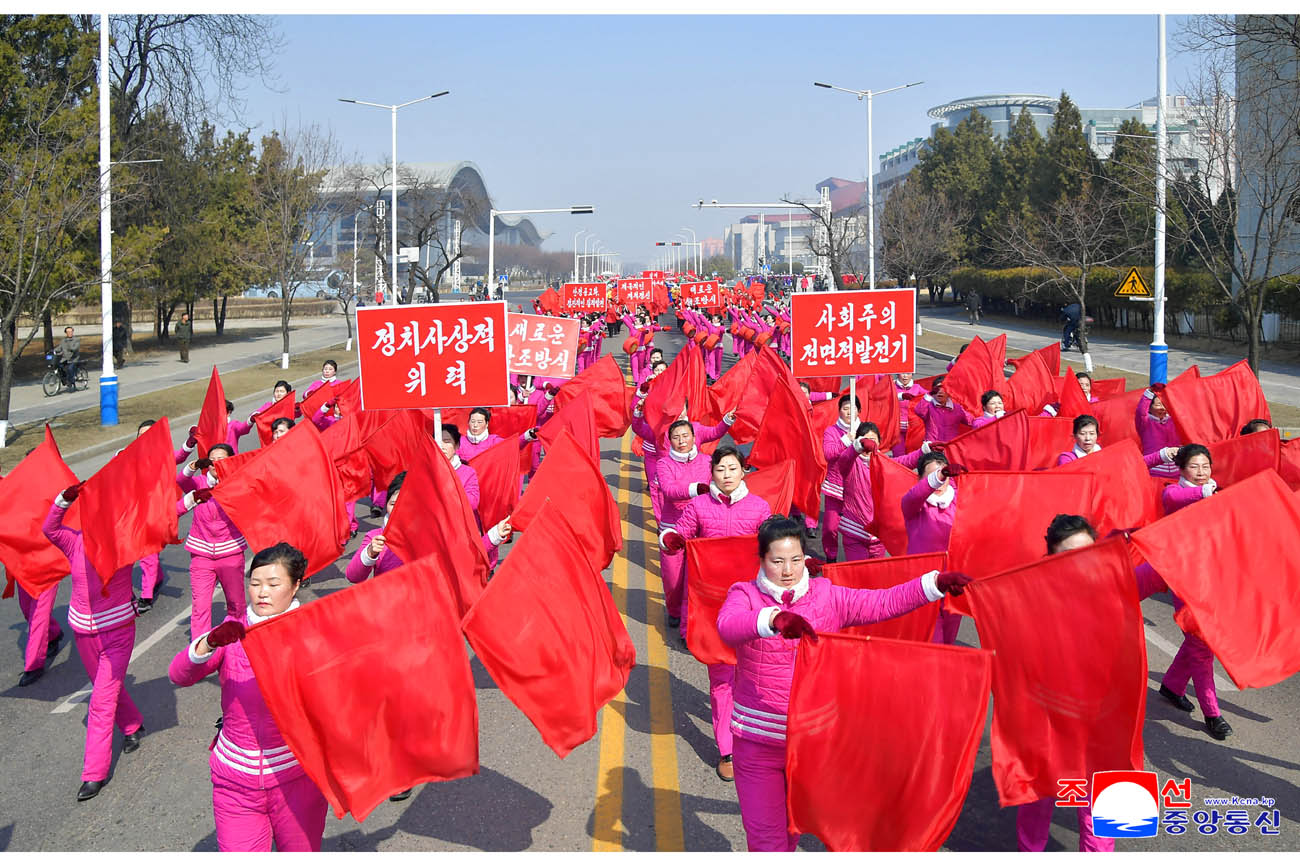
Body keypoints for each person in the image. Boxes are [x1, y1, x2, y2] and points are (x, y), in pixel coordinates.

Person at [716, 515, 970, 851]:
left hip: (813, 744)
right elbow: (727, 626)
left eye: (795, 559)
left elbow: (883, 602)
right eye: (777, 561)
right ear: (762, 560)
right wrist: (773, 619)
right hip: (757, 744)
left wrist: (934, 584)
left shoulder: (826, 596)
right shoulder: (745, 595)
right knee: (767, 842)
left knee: (792, 832)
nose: (788, 570)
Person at [1014, 514, 1169, 852]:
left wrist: (1158, 538)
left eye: (1086, 552)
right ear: (1051, 558)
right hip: (1049, 716)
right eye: (1068, 555)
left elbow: (1162, 571)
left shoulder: (1115, 583)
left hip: (1104, 717)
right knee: (1039, 794)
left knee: (1101, 802)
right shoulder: (1033, 592)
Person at [168, 543, 329, 851]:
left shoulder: (314, 633)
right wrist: (207, 644)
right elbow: (179, 675)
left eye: (273, 584)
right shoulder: (232, 633)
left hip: (298, 779)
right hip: (235, 782)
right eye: (255, 583)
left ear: (296, 585)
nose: (262, 593)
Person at [662, 446, 772, 782]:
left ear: (743, 471)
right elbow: (679, 532)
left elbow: (773, 548)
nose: (726, 475)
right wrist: (671, 540)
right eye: (720, 469)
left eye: (732, 468)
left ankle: (755, 737)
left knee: (752, 676)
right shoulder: (699, 506)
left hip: (750, 608)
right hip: (712, 609)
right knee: (721, 679)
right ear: (711, 473)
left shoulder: (760, 507)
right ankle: (727, 749)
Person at [43, 482, 145, 801]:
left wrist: (192, 498)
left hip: (118, 633)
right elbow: (49, 528)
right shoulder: (74, 541)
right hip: (84, 634)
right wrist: (63, 500)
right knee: (108, 688)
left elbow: (161, 519)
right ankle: (133, 725)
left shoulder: (127, 544)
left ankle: (94, 773)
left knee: (100, 701)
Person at [1157, 444, 1232, 741]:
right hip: (1184, 578)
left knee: (1199, 640)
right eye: (1194, 467)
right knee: (1202, 645)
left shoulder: (1216, 492)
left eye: (1205, 466)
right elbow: (1176, 498)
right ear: (1181, 469)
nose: (1201, 472)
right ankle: (1212, 713)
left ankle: (1172, 685)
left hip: (1214, 577)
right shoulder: (1174, 492)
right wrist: (1207, 493)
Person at [177, 445, 247, 638]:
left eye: (221, 459)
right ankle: (199, 648)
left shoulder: (238, 484)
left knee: (236, 604)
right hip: (201, 555)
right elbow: (181, 480)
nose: (216, 463)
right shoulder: (199, 483)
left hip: (231, 553)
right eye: (211, 460)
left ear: (231, 461)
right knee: (200, 607)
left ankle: (237, 643)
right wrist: (192, 466)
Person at [655, 419, 716, 634]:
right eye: (676, 437)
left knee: (697, 577)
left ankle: (691, 617)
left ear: (693, 437)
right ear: (670, 441)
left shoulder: (707, 461)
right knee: (673, 577)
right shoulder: (664, 464)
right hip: (674, 528)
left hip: (701, 525)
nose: (681, 441)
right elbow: (669, 490)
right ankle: (674, 610)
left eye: (685, 436)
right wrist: (695, 489)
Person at [902, 452, 965, 644]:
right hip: (923, 586)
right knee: (933, 644)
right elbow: (914, 496)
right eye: (934, 475)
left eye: (945, 474)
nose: (941, 481)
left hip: (953, 585)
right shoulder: (914, 506)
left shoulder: (960, 501)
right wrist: (940, 475)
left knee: (948, 644)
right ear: (921, 479)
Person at [818, 394, 861, 561]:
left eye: (853, 409)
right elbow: (828, 454)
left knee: (859, 528)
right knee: (830, 528)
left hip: (858, 488)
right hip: (835, 487)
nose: (849, 412)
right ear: (839, 411)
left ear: (859, 411)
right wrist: (846, 440)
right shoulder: (831, 431)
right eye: (845, 408)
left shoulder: (865, 430)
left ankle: (857, 561)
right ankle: (831, 557)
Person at [839, 422, 887, 560]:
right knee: (858, 572)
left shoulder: (885, 463)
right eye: (866, 439)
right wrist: (857, 447)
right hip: (854, 531)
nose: (870, 443)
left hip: (878, 534)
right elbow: (844, 459)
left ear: (879, 442)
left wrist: (923, 451)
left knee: (878, 572)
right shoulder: (851, 464)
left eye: (873, 439)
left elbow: (904, 462)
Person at [1136, 382, 1181, 479]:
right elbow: (1141, 411)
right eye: (1159, 405)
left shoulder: (1175, 421)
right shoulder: (1145, 423)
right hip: (1154, 470)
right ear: (1149, 407)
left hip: (1177, 471)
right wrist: (1150, 392)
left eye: (1165, 404)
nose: (1163, 408)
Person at [913, 376, 974, 445]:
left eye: (944, 388)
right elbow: (919, 411)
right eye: (937, 389)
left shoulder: (957, 408)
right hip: (933, 446)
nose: (940, 391)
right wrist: (929, 394)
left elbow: (971, 421)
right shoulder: (928, 406)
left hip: (951, 446)